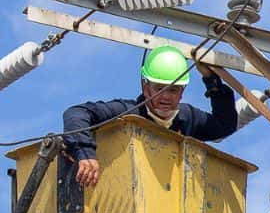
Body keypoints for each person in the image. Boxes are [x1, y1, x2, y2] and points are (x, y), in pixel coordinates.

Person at [62, 46, 238, 187]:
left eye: (173, 90)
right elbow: (76, 113)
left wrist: (212, 81)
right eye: (158, 88)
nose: (166, 97)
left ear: (182, 92)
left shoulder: (187, 117)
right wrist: (85, 153)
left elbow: (224, 125)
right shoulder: (129, 112)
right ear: (146, 88)